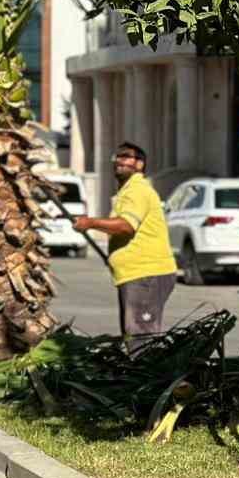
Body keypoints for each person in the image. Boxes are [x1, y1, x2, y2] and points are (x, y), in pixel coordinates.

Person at [73, 142, 178, 351]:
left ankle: (150, 381)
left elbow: (126, 226)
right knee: (135, 335)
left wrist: (90, 223)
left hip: (146, 275)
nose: (119, 160)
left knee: (141, 338)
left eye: (126, 156)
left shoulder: (137, 190)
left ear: (140, 164)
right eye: (117, 157)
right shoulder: (127, 192)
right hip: (136, 275)